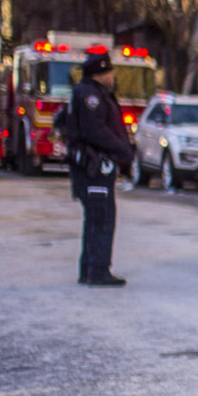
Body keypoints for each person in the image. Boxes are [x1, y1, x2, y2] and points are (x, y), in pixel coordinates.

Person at [69, 48, 134, 287]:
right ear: (100, 73)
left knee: (96, 218)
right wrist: (123, 151)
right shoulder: (91, 97)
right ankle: (97, 271)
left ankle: (90, 269)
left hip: (93, 167)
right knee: (101, 219)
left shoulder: (90, 93)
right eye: (110, 72)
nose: (113, 76)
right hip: (93, 167)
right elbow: (96, 132)